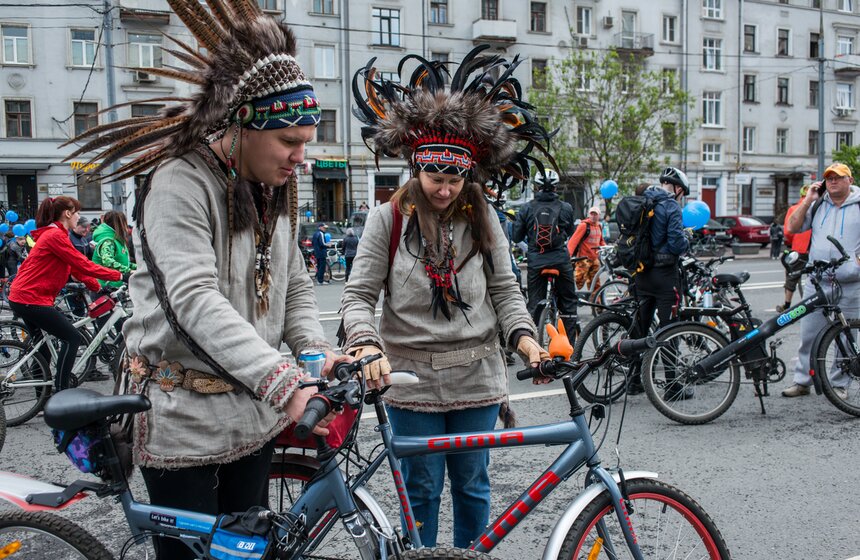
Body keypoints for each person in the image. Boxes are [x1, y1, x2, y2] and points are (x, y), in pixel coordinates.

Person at [65, 3, 350, 558]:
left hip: (254, 414)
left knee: (248, 550)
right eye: (289, 141)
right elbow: (194, 301)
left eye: (307, 141)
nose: (302, 157)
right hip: (184, 419)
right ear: (242, 123)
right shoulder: (179, 181)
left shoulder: (274, 186)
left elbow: (292, 283)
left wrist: (314, 352)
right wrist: (285, 383)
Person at [342, 46, 552, 549]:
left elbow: (505, 289)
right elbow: (357, 296)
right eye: (435, 178)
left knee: (473, 484)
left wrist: (526, 339)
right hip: (409, 380)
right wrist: (365, 343)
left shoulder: (483, 216)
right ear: (416, 171)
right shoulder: (387, 219)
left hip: (477, 376)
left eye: (455, 179)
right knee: (420, 488)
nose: (444, 190)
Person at [7, 196, 122, 391]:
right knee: (72, 338)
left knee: (43, 348)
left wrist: (97, 287)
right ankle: (62, 392)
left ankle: (43, 398)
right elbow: (83, 264)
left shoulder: (55, 234)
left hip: (24, 296)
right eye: (77, 212)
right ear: (67, 213)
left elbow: (74, 268)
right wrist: (119, 275)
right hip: (31, 298)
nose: (79, 217)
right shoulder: (55, 236)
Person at [781, 162, 860, 398]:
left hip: (850, 282)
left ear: (850, 181)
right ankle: (802, 381)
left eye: (838, 177)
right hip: (818, 281)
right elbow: (792, 227)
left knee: (846, 336)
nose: (832, 181)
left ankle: (839, 384)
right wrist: (808, 200)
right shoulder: (817, 205)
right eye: (829, 178)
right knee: (809, 334)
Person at [628, 167, 691, 398]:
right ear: (678, 189)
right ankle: (672, 386)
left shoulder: (643, 201)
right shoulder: (671, 206)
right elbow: (675, 244)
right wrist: (686, 239)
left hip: (641, 274)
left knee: (640, 329)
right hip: (664, 277)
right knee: (669, 330)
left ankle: (634, 381)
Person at [512, 169, 577, 343]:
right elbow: (571, 231)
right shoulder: (566, 207)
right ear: (556, 187)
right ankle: (571, 348)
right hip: (560, 260)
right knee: (569, 302)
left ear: (536, 186)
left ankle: (533, 345)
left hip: (536, 261)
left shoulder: (527, 208)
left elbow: (516, 237)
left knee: (534, 304)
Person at [777, 185, 813, 313]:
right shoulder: (817, 208)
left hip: (800, 248)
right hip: (814, 248)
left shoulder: (794, 209)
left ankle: (787, 304)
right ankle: (815, 302)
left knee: (792, 276)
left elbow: (788, 232)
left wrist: (793, 242)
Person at [92, 210, 136, 288]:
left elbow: (123, 262)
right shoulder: (108, 241)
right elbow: (107, 261)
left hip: (116, 284)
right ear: (120, 224)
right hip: (106, 287)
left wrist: (139, 267)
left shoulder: (117, 240)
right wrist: (129, 271)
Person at [567, 206, 606, 293]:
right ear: (589, 215)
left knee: (595, 284)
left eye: (595, 214)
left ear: (599, 216)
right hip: (583, 259)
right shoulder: (584, 225)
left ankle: (596, 300)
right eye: (592, 214)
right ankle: (570, 296)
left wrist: (606, 248)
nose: (593, 216)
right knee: (578, 282)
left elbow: (601, 241)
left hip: (595, 259)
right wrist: (568, 254)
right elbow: (573, 240)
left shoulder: (599, 226)